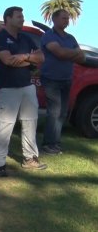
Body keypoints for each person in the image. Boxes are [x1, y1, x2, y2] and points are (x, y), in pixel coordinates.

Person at [0, 6, 47, 177]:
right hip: (7, 88)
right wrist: (29, 61)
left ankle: (30, 159)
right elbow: (7, 60)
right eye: (19, 16)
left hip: (27, 86)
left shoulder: (25, 38)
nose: (22, 19)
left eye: (22, 16)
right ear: (8, 18)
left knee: (30, 122)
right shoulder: (0, 38)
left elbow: (41, 58)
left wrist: (24, 57)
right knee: (5, 125)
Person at [40, 9, 85, 155]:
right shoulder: (49, 36)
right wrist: (73, 53)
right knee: (54, 112)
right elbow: (59, 53)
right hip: (51, 79)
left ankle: (55, 142)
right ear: (54, 19)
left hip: (66, 79)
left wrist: (69, 53)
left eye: (67, 19)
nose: (67, 21)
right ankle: (48, 144)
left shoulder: (70, 38)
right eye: (64, 18)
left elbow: (81, 57)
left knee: (62, 113)